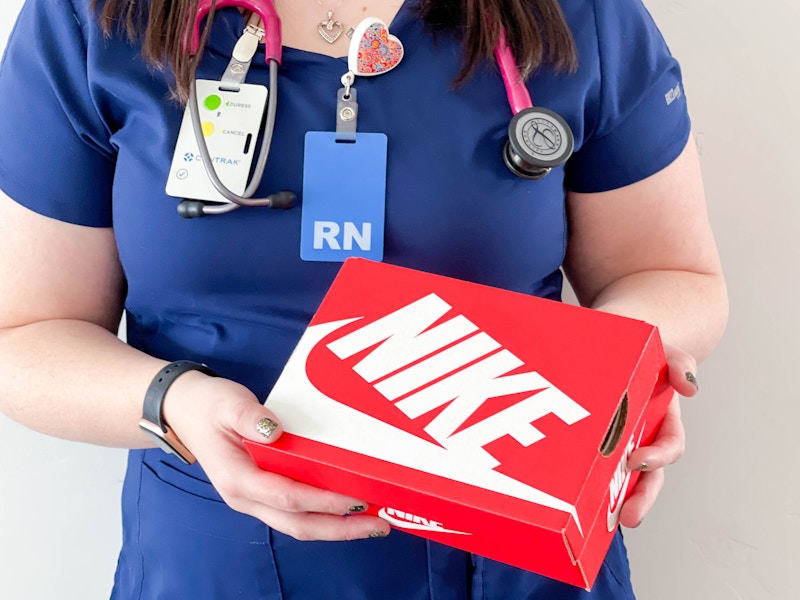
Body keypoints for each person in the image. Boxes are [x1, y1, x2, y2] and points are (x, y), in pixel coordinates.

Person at [0, 0, 728, 597]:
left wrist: (616, 388)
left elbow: (671, 272)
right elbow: (26, 334)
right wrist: (173, 401)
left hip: (523, 546)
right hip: (218, 561)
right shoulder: (90, 20)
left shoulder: (578, 14)